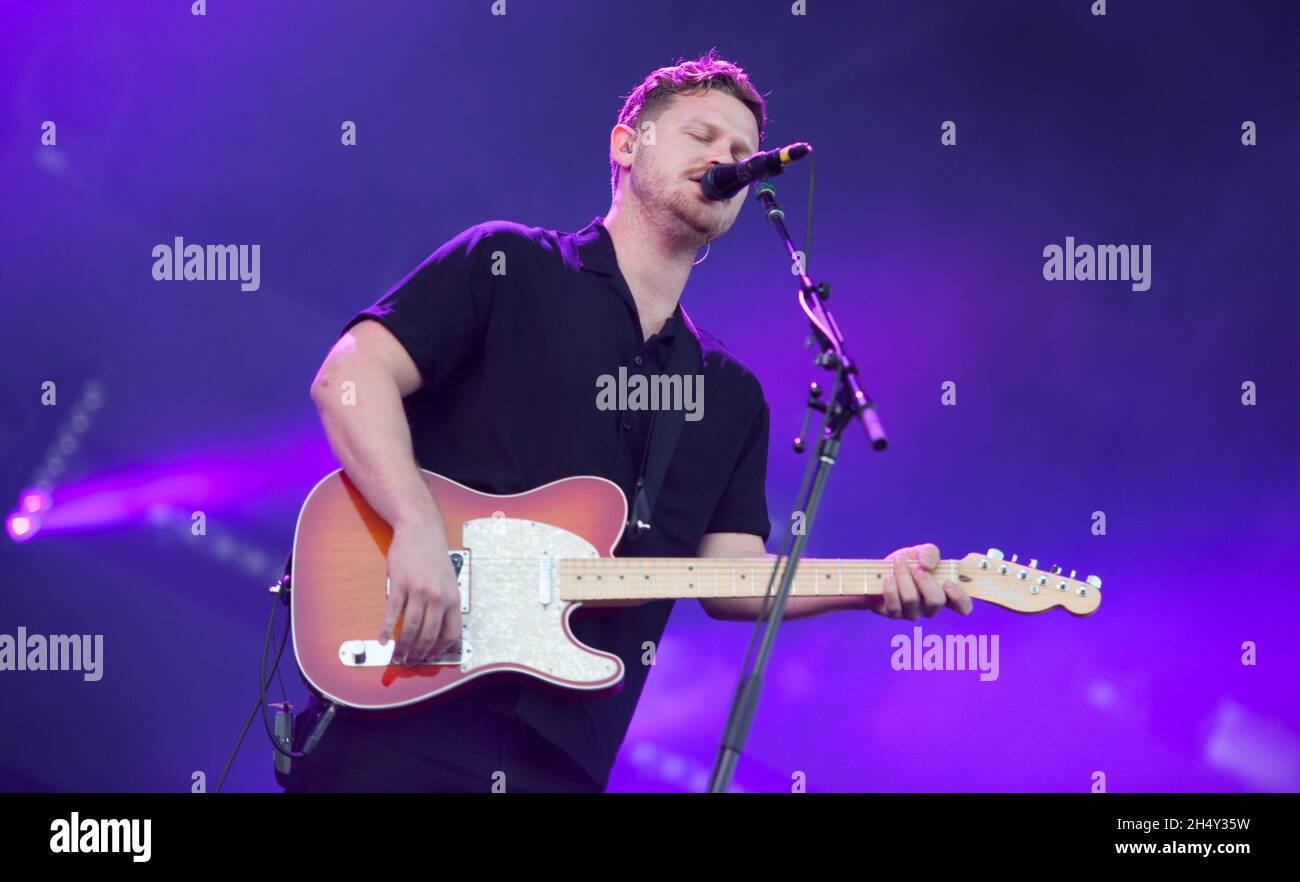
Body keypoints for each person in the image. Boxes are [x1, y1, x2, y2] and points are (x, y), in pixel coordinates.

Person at [282, 49, 973, 794]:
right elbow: (350, 376)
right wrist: (416, 527)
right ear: (626, 145)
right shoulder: (508, 264)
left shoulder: (729, 393)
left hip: (560, 762)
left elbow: (729, 580)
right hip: (401, 709)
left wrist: (877, 583)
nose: (728, 160)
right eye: (701, 135)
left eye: (743, 153)